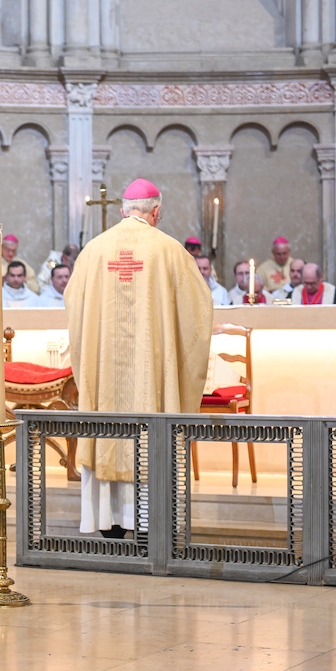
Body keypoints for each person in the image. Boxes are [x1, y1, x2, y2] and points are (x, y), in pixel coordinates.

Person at [65, 178, 212, 539]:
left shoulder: (94, 250)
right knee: (150, 425)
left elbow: (73, 306)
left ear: (122, 210)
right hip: (152, 380)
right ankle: (147, 522)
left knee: (106, 425)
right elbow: (199, 312)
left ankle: (108, 522)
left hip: (104, 380)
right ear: (156, 211)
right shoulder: (169, 250)